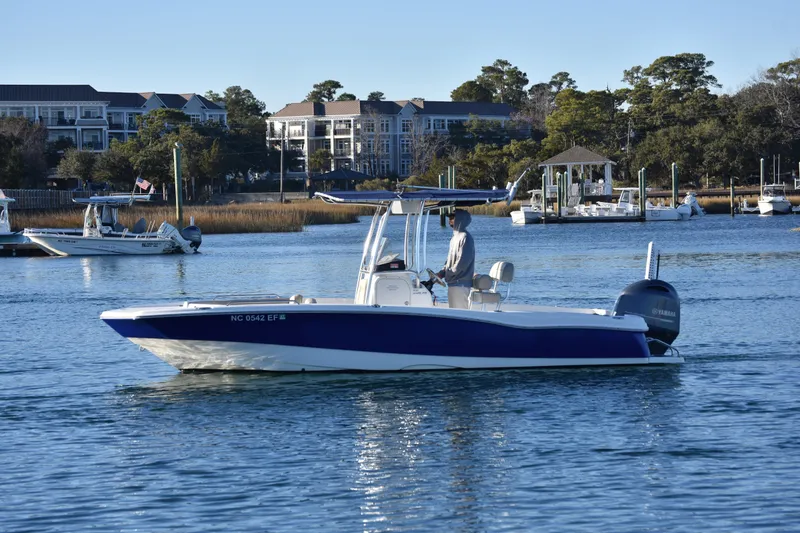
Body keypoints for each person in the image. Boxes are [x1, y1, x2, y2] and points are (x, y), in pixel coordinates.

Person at [437, 209, 475, 309]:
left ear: (461, 219)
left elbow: (462, 262)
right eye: (449, 218)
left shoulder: (465, 237)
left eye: (452, 218)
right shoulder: (454, 237)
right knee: (453, 311)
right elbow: (450, 259)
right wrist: (442, 272)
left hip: (460, 284)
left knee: (460, 313)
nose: (450, 220)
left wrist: (449, 273)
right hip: (453, 283)